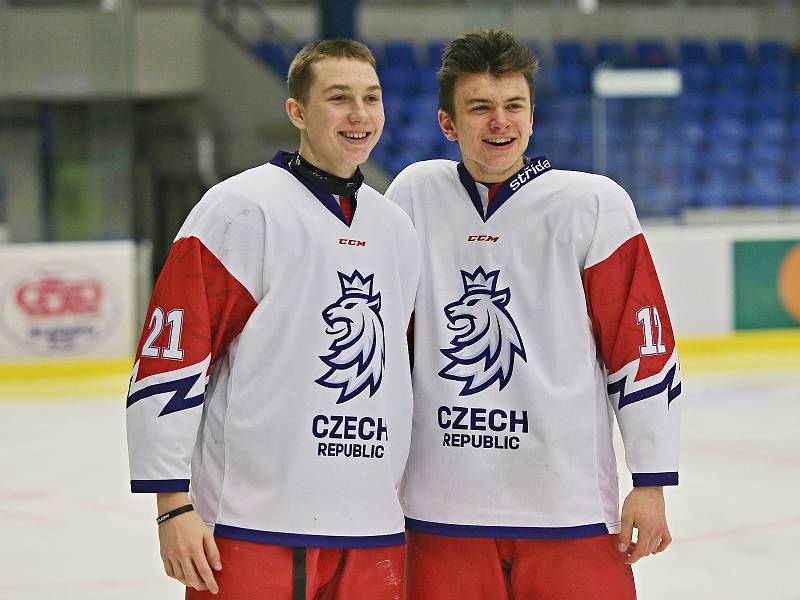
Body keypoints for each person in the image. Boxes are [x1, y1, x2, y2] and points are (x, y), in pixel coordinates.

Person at [386, 29, 681, 600]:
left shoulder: (594, 205)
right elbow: (385, 348)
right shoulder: (414, 196)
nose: (500, 122)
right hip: (440, 509)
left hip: (567, 508)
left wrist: (651, 481)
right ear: (448, 123)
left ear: (532, 114)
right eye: (480, 108)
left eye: (513, 106)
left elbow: (641, 350)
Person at [126, 39, 419, 600]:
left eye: (371, 98)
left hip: (372, 526)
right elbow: (171, 355)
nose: (359, 114)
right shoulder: (241, 210)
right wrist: (171, 503)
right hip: (251, 526)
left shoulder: (395, 228)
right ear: (298, 112)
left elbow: (403, 376)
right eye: (338, 98)